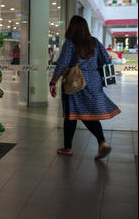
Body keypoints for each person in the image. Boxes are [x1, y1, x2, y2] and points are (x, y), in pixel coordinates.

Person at [49, 15, 120, 159]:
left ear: (72, 27)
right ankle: (101, 143)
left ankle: (70, 147)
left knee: (71, 114)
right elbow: (106, 60)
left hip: (75, 82)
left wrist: (53, 82)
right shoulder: (95, 42)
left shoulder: (70, 43)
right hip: (94, 82)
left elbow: (62, 63)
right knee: (88, 114)